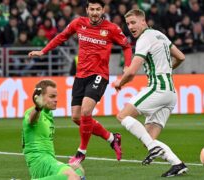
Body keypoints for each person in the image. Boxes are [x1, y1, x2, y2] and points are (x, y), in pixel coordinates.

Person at [28, 0, 132, 164]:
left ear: (103, 10)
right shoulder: (78, 23)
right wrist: (43, 51)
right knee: (77, 117)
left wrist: (127, 66)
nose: (95, 12)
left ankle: (81, 152)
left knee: (85, 111)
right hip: (80, 76)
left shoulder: (111, 28)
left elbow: (126, 46)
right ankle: (112, 138)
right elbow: (62, 36)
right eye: (92, 9)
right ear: (87, 10)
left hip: (99, 75)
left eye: (98, 9)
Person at [114, 9, 188, 177]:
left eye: (133, 22)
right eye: (128, 24)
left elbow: (132, 72)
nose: (130, 27)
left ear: (143, 21)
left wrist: (120, 82)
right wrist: (167, 70)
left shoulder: (144, 39)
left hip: (158, 88)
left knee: (123, 115)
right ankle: (177, 164)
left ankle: (153, 149)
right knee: (148, 137)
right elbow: (181, 57)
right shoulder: (160, 35)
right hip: (170, 93)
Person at [22, 79, 85, 180]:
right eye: (52, 97)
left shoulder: (49, 114)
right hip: (39, 161)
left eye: (56, 96)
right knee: (72, 177)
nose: (56, 99)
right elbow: (31, 120)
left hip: (49, 160)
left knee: (78, 169)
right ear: (40, 97)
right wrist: (38, 107)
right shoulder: (34, 112)